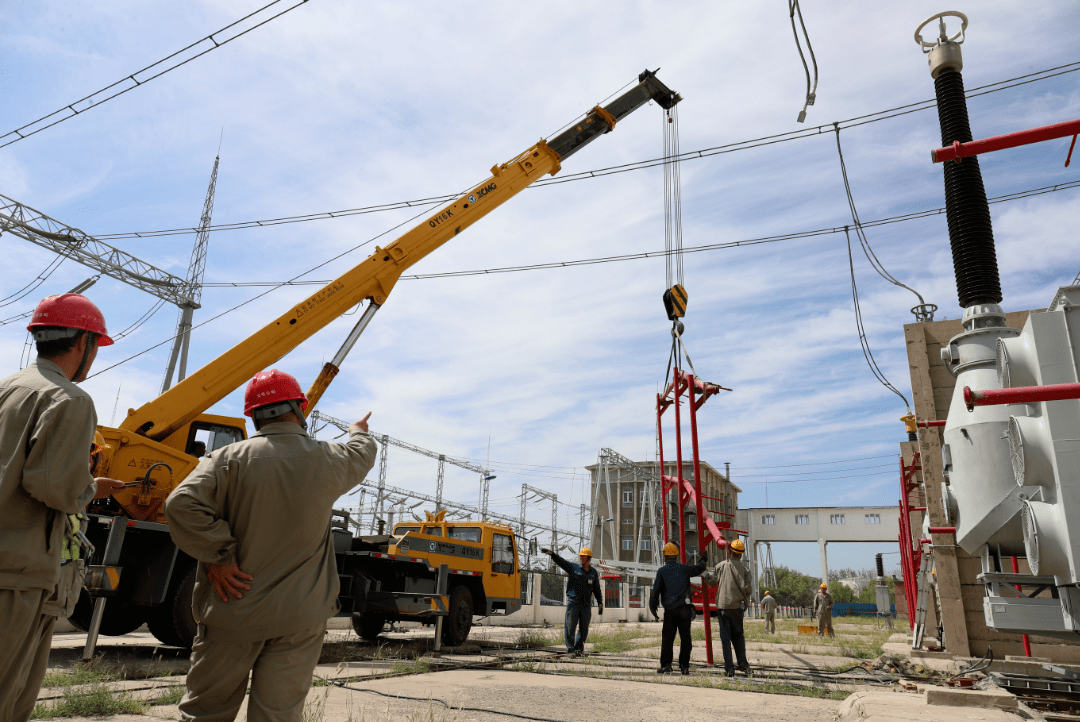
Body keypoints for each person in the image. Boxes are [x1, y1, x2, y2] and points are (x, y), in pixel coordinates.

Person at [164, 369, 378, 721]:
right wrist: (358, 432)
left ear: (253, 415)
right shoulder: (330, 459)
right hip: (299, 617)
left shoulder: (227, 459)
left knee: (206, 712)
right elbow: (361, 452)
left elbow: (180, 504)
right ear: (300, 407)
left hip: (232, 610)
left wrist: (220, 555)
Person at [0, 294, 125, 722]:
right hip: (17, 572)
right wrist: (87, 488)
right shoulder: (69, 399)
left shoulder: (8, 388)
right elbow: (53, 488)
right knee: (9, 695)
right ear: (83, 343)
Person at [649, 542, 707, 675]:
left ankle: (666, 665)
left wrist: (653, 609)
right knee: (686, 638)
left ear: (665, 556)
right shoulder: (684, 569)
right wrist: (703, 559)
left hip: (670, 610)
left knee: (668, 639)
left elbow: (655, 592)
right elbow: (699, 569)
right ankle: (684, 666)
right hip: (684, 609)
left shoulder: (662, 571)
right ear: (676, 555)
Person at [539, 546, 602, 656]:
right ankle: (571, 649)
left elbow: (596, 589)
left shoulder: (593, 573)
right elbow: (562, 562)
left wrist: (600, 602)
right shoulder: (574, 568)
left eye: (583, 557)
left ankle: (579, 649)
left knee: (584, 628)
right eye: (580, 557)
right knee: (570, 626)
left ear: (589, 559)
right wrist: (553, 555)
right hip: (574, 602)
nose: (581, 559)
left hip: (586, 604)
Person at [703, 538, 751, 676]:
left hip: (723, 607)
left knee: (726, 639)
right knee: (738, 636)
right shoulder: (745, 569)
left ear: (730, 551)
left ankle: (729, 669)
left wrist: (705, 574)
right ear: (741, 553)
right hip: (738, 607)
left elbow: (712, 582)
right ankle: (742, 663)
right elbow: (748, 589)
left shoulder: (722, 565)